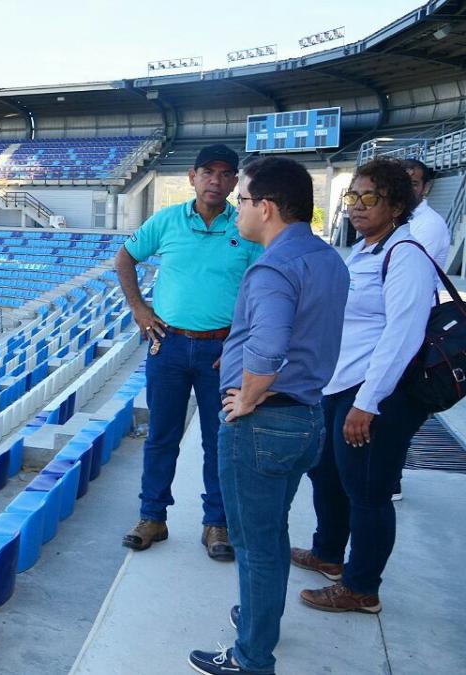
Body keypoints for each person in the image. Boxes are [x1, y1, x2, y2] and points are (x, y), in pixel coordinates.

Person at [188, 157, 349, 675]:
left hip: (265, 424)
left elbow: (272, 345)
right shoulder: (326, 258)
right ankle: (259, 619)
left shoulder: (273, 265)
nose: (237, 210)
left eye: (243, 201)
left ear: (268, 207)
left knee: (256, 546)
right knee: (272, 534)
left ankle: (251, 658)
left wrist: (249, 394)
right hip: (306, 416)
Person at [292, 158, 435, 614]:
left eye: (368, 197)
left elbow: (403, 335)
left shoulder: (406, 254)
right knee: (326, 473)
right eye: (351, 197)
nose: (356, 206)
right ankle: (329, 555)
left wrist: (368, 403)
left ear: (396, 204)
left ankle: (362, 587)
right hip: (340, 384)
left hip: (374, 393)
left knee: (368, 491)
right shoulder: (368, 250)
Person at [115, 144, 262, 561]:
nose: (216, 180)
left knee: (221, 440)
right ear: (193, 177)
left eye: (225, 173)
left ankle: (216, 524)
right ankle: (152, 517)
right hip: (170, 345)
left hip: (222, 350)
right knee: (161, 436)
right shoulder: (166, 221)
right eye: (207, 172)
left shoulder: (247, 228)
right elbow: (123, 258)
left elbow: (264, 287)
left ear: (235, 182)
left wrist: (243, 340)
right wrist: (140, 309)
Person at [391, 158, 448, 501]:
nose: (406, 188)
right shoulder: (401, 220)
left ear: (425, 188)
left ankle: (391, 478)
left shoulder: (427, 225)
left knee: (398, 404)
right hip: (399, 325)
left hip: (414, 327)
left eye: (413, 182)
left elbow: (403, 280)